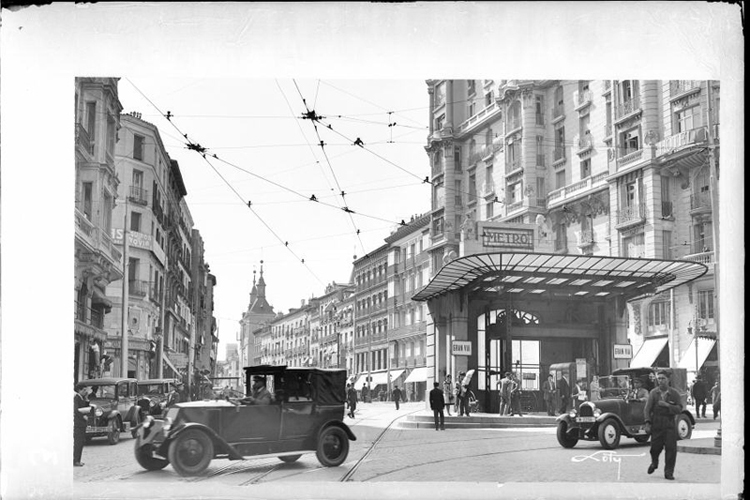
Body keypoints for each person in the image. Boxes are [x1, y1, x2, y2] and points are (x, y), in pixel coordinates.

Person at [644, 369, 683, 480]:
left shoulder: (674, 393)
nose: (660, 381)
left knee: (671, 449)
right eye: (659, 378)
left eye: (663, 379)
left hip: (669, 424)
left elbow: (679, 409)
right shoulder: (653, 393)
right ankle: (654, 462)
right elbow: (647, 409)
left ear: (668, 380)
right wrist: (647, 423)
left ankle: (669, 472)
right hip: (656, 424)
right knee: (654, 448)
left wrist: (667, 405)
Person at [73, 383, 93, 467]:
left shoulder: (82, 398)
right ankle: (76, 460)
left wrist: (87, 399)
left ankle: (78, 460)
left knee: (81, 442)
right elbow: (76, 410)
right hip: (78, 423)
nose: (85, 392)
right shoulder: (76, 398)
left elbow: (86, 407)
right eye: (84, 390)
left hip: (82, 423)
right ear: (79, 390)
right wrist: (83, 416)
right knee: (78, 442)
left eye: (86, 390)